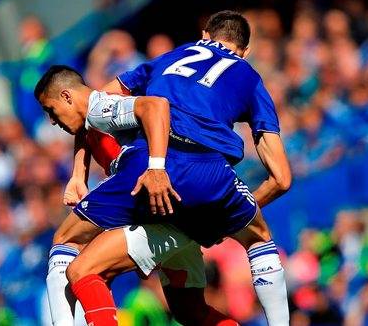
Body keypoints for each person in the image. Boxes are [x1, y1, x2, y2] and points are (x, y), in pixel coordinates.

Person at [41, 10, 292, 325]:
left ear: (204, 36)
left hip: (155, 172)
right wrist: (220, 219)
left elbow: (91, 106)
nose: (54, 121)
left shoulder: (171, 57)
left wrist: (79, 174)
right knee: (199, 299)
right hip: (213, 175)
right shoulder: (250, 77)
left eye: (52, 112)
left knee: (74, 257)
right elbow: (282, 179)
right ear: (245, 52)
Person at [38, 65, 237, 325]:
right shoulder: (92, 122)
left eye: (51, 111)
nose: (52, 121)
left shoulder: (104, 105)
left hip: (153, 188)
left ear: (66, 96)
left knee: (69, 247)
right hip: (178, 214)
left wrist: (156, 167)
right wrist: (78, 174)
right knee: (190, 311)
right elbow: (85, 129)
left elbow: (153, 107)